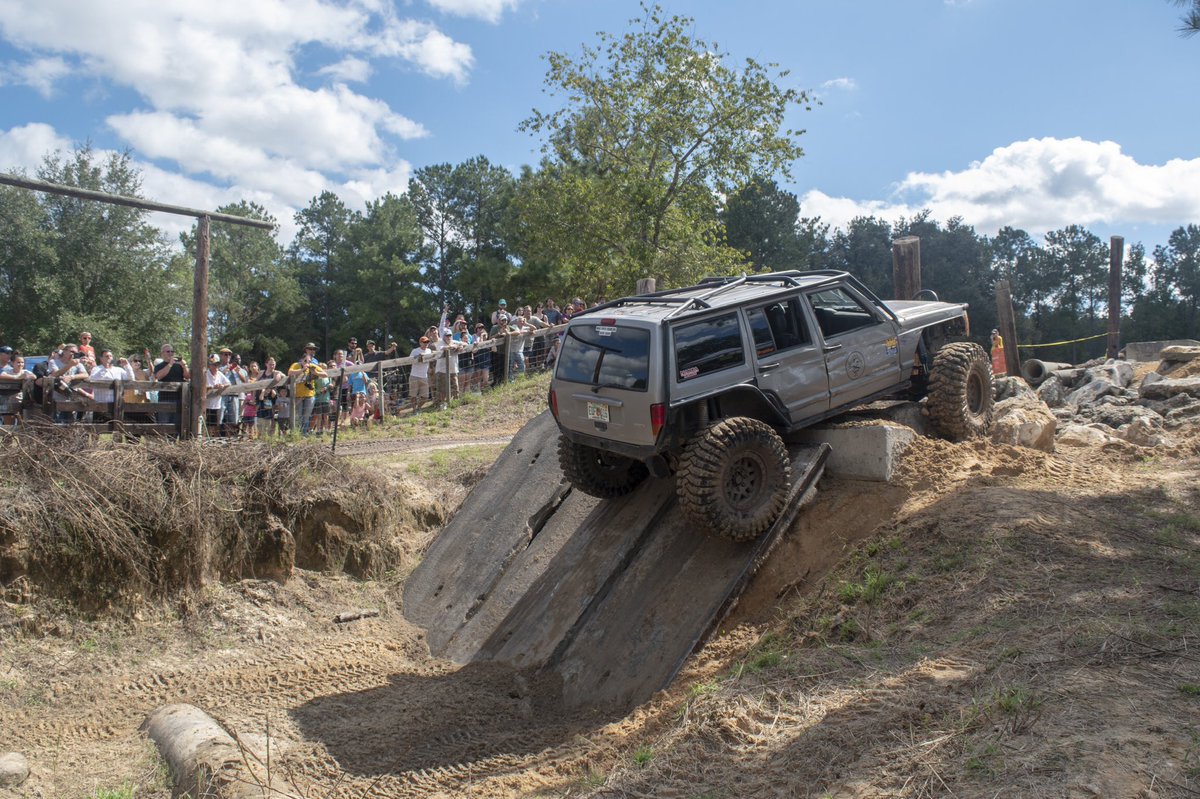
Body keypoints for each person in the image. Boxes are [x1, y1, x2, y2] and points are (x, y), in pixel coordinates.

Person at [288, 343, 327, 436]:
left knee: (306, 416)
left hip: (309, 394)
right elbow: (290, 373)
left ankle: (304, 433)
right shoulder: (296, 365)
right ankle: (296, 433)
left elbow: (325, 374)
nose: (307, 363)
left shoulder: (313, 364)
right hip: (298, 395)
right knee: (298, 415)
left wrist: (315, 372)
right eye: (305, 361)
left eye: (309, 361)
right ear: (301, 360)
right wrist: (302, 370)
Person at [149, 343, 188, 427]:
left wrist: (184, 366)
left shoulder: (179, 365)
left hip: (179, 399)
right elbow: (158, 376)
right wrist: (170, 364)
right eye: (168, 351)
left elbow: (188, 376)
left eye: (172, 351)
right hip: (164, 399)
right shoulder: (159, 366)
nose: (170, 353)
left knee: (178, 425)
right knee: (164, 424)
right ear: (162, 354)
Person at [89, 349, 133, 423]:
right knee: (99, 429)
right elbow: (93, 379)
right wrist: (105, 368)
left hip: (116, 405)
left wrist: (127, 365)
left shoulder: (119, 370)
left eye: (110, 356)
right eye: (106, 356)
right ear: (101, 358)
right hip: (101, 405)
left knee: (116, 428)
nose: (109, 358)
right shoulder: (96, 369)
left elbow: (131, 378)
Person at [0, 351, 33, 426]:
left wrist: (25, 376)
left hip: (21, 402)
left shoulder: (25, 372)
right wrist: (16, 377)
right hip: (7, 401)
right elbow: (1, 375)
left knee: (21, 423)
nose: (20, 364)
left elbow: (34, 376)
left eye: (22, 362)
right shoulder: (8, 371)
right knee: (8, 423)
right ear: (12, 363)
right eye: (18, 362)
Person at [433, 328, 463, 404]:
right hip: (442, 371)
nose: (448, 337)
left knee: (455, 388)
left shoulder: (454, 342)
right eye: (447, 336)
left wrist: (460, 346)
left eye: (450, 335)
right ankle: (442, 405)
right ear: (444, 337)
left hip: (454, 369)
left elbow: (465, 343)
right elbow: (442, 348)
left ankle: (455, 403)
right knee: (443, 390)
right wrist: (452, 347)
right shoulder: (440, 343)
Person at [203, 354, 230, 437]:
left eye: (217, 364)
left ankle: (212, 439)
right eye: (213, 364)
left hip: (216, 404)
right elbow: (201, 386)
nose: (216, 366)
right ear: (209, 365)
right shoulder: (205, 374)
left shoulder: (219, 374)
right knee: (205, 424)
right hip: (205, 404)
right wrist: (211, 387)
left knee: (215, 424)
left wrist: (222, 386)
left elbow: (228, 383)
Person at [256, 356, 281, 436]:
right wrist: (253, 397)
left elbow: (281, 377)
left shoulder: (276, 372)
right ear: (266, 364)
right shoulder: (261, 373)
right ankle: (261, 434)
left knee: (272, 416)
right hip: (260, 397)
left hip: (271, 398)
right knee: (260, 416)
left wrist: (278, 375)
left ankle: (271, 435)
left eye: (273, 364)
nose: (272, 366)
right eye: (270, 364)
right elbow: (255, 385)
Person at [408, 336, 433, 412]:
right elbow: (409, 360)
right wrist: (418, 357)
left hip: (424, 376)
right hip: (414, 375)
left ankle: (418, 408)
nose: (426, 344)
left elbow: (432, 358)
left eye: (427, 342)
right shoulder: (415, 351)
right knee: (413, 395)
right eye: (424, 342)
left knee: (425, 396)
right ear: (420, 343)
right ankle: (414, 410)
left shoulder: (429, 350)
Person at [241, 361, 260, 438]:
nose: (253, 368)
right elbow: (245, 388)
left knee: (255, 418)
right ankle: (246, 435)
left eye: (255, 366)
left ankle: (254, 435)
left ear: (258, 367)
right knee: (247, 418)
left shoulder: (260, 376)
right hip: (248, 397)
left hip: (258, 398)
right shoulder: (247, 377)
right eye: (251, 366)